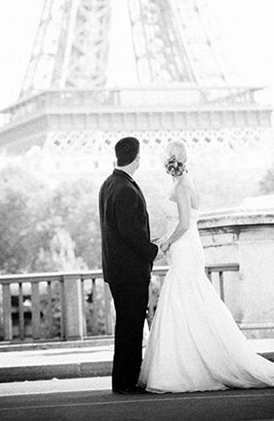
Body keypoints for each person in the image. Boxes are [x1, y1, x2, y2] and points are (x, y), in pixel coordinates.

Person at [138, 140, 274, 393]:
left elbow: (183, 224)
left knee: (185, 299)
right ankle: (196, 358)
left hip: (184, 246)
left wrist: (166, 244)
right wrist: (166, 239)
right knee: (189, 302)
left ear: (170, 159)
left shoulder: (182, 186)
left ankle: (188, 364)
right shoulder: (184, 183)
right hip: (186, 246)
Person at [99, 136, 159, 394]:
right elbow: (130, 231)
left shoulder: (109, 184)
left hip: (117, 268)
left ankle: (121, 380)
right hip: (130, 270)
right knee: (132, 326)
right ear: (137, 158)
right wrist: (152, 250)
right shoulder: (125, 188)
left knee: (126, 325)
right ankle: (126, 381)